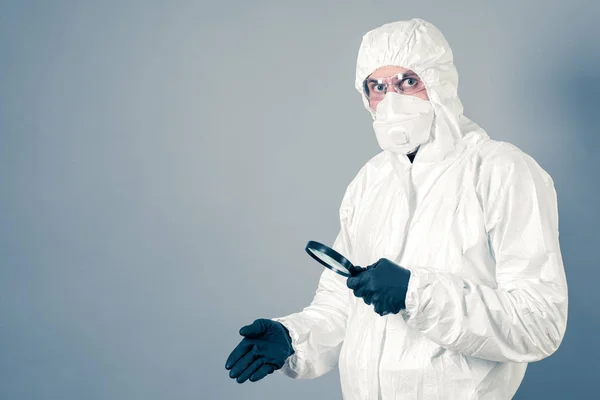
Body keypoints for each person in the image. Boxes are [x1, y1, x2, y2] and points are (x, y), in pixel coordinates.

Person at [225, 18, 568, 399]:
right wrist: (294, 338)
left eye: (408, 81)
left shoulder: (501, 171)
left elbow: (538, 323)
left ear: (438, 82)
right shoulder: (372, 180)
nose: (392, 100)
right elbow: (342, 304)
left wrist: (414, 293)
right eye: (377, 86)